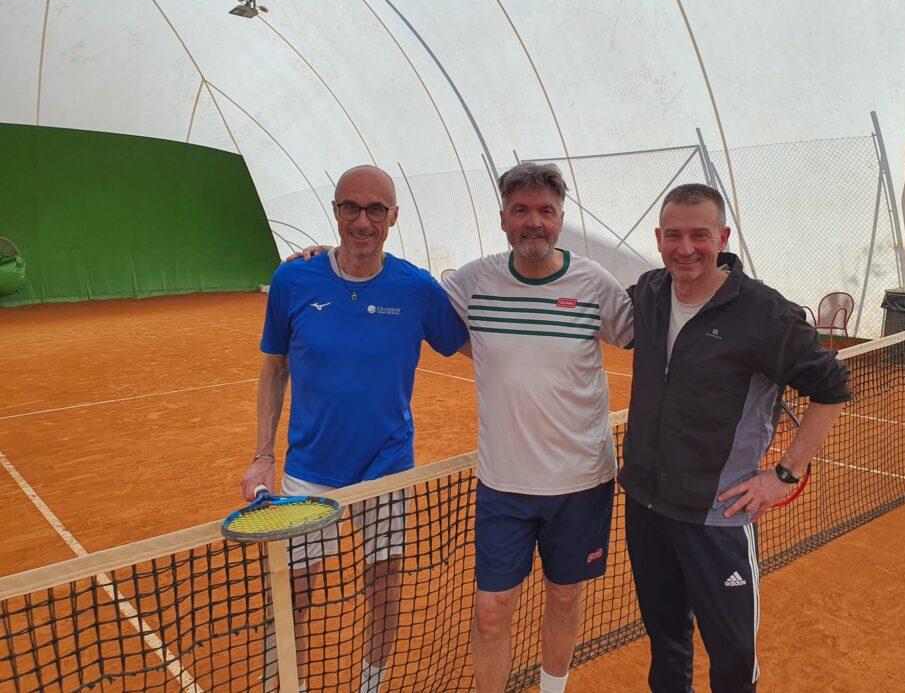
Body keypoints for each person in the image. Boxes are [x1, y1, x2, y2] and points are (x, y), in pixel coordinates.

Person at [241, 165, 469, 692]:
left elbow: (473, 346)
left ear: (393, 217)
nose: (362, 221)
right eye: (351, 207)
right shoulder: (293, 279)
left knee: (384, 588)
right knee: (292, 593)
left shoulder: (416, 288)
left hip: (387, 470)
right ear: (335, 211)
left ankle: (371, 684)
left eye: (375, 210)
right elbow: (274, 367)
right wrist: (262, 455)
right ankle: (287, 686)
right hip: (308, 471)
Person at [619, 183, 852, 692]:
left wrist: (784, 474)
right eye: (673, 235)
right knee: (666, 642)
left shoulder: (764, 313)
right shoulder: (650, 293)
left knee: (731, 658)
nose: (685, 248)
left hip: (717, 515)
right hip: (646, 506)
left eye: (699, 235)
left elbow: (832, 387)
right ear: (658, 239)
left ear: (723, 238)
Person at [440, 163, 634, 693]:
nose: (534, 221)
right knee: (492, 608)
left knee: (565, 596)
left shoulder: (593, 283)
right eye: (521, 210)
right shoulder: (473, 281)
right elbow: (414, 303)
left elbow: (650, 330)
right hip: (504, 485)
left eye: (545, 211)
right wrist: (327, 259)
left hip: (582, 482)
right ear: (503, 218)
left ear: (560, 219)